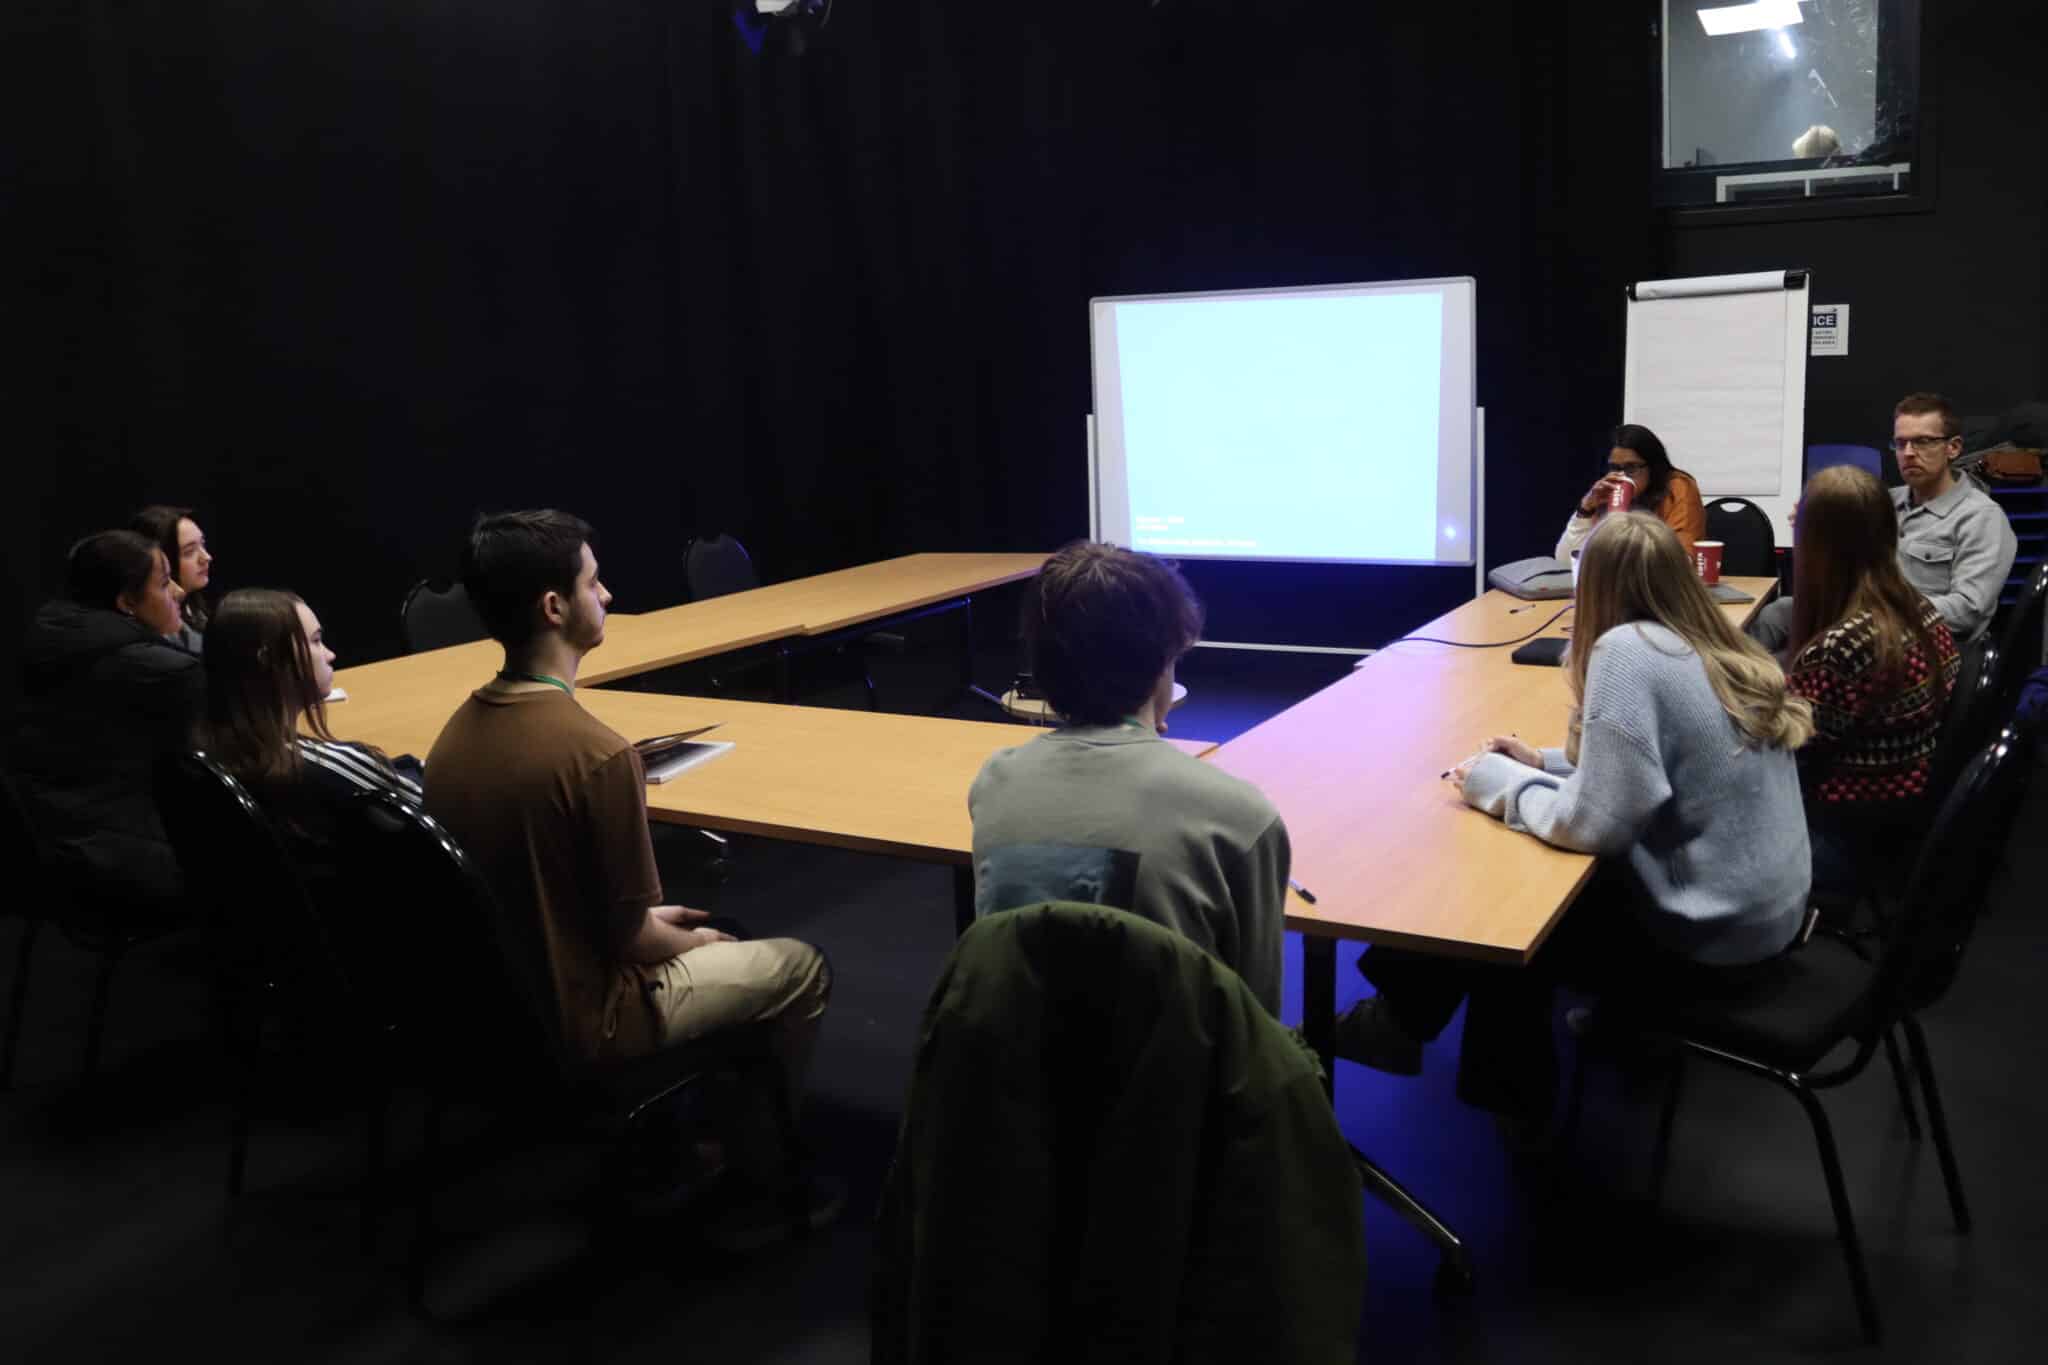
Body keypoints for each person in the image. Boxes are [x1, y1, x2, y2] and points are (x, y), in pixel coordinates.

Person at [1336, 512, 1814, 1127]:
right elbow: (1651, 763)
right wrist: (1544, 762)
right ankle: (1405, 1020)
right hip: (1767, 919)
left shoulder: (1626, 650)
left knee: (1505, 898)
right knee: (1522, 862)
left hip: (1707, 942)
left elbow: (1597, 825)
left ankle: (1494, 1089)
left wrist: (1500, 785)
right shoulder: (1715, 645)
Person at [423, 509, 832, 1225]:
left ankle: (694, 1140)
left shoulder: (451, 740)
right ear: (554, 607)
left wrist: (644, 923)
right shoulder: (598, 755)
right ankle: (758, 1179)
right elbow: (637, 945)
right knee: (797, 966)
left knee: (710, 933)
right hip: (588, 1016)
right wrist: (686, 942)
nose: (608, 595)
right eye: (594, 580)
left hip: (490, 1016)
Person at [967, 542, 1290, 1014]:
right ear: (1163, 666)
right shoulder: (1240, 817)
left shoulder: (994, 785)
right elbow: (1257, 1018)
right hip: (1177, 1080)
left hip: (1014, 1071)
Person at [1782, 466, 1960, 898]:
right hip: (1894, 809)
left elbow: (1788, 758)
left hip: (1840, 831)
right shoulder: (1915, 605)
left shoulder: (1840, 647)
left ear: (1817, 544)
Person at [10, 530, 204, 908]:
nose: (179, 592)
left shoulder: (55, 636)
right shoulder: (159, 672)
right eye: (165, 584)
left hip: (54, 836)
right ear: (126, 602)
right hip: (122, 853)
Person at [1752, 392, 2018, 651]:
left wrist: (1879, 609)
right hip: (1863, 621)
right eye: (1900, 443)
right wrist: (1818, 528)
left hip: (1922, 643)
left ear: (1953, 448)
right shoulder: (1884, 502)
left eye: (1923, 441)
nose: (1909, 453)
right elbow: (1844, 568)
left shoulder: (1982, 518)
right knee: (1776, 614)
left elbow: (1967, 611)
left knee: (1775, 671)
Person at [196, 588, 423, 865]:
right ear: (267, 659)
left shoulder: (216, 752)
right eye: (316, 642)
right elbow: (436, 802)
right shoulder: (323, 767)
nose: (330, 654)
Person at [1552, 424, 1706, 564]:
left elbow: (1681, 560)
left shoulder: (1678, 486)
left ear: (1653, 466)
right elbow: (1565, 559)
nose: (1622, 476)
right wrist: (1586, 508)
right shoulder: (1605, 492)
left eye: (1631, 468)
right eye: (1615, 467)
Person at [130, 505, 214, 652]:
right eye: (189, 552)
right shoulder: (157, 632)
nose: (206, 557)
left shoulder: (195, 610)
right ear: (161, 559)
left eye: (203, 544)